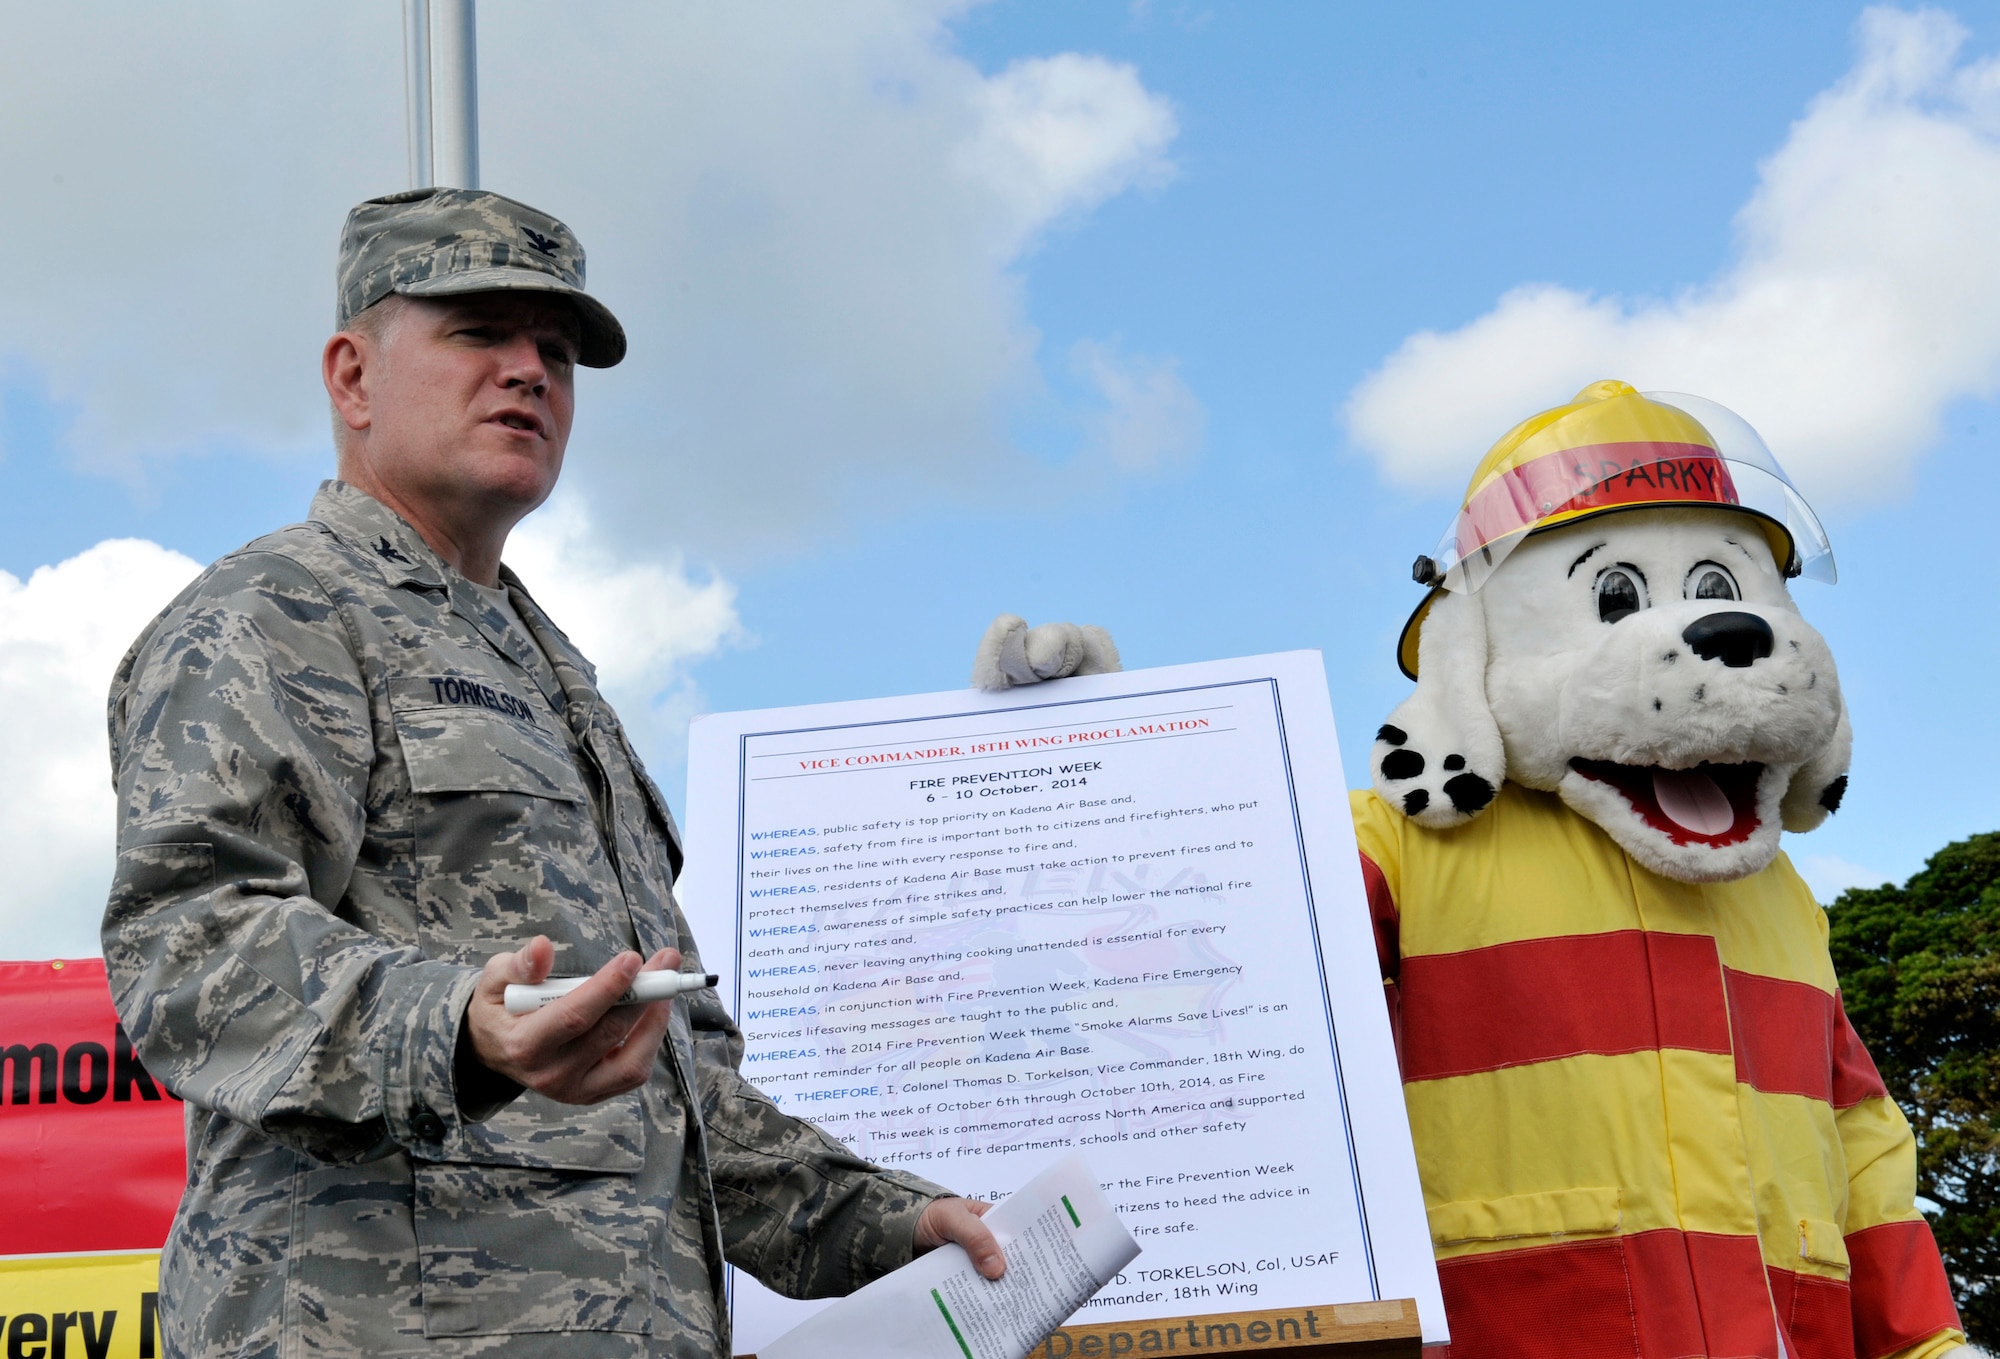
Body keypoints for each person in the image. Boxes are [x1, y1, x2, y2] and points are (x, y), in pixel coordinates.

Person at [103, 187, 1002, 1358]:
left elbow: (669, 1087)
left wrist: (885, 1218)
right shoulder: (268, 618)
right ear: (352, 375)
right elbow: (188, 946)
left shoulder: (556, 680)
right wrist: (453, 1027)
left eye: (558, 353)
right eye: (480, 333)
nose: (530, 372)